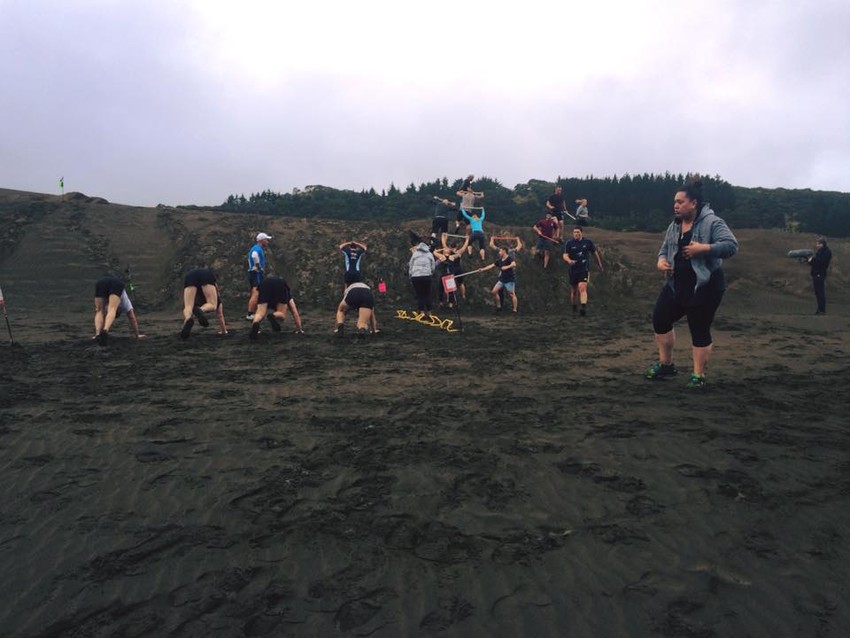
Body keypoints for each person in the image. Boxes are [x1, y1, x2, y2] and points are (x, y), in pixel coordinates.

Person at [644, 178, 738, 388]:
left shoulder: (713, 223)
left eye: (680, 201)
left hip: (705, 285)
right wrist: (661, 262)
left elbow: (731, 246)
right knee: (660, 318)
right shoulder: (674, 226)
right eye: (674, 202)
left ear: (694, 203)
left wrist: (703, 248)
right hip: (676, 284)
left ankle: (698, 375)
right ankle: (666, 365)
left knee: (699, 328)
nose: (675, 205)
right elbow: (663, 250)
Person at [562, 226, 604, 316]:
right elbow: (565, 255)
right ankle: (574, 307)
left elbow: (595, 254)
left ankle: (583, 307)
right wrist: (569, 260)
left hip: (584, 268)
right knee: (574, 290)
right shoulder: (569, 243)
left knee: (582, 287)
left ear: (581, 233)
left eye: (578, 232)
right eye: (574, 232)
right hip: (573, 269)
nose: (576, 234)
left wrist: (599, 265)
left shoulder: (588, 242)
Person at [93, 276, 145, 344]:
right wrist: (137, 335)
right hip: (116, 283)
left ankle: (97, 334)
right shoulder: (125, 304)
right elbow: (132, 318)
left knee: (99, 311)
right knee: (112, 309)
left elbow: (103, 316)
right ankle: (105, 330)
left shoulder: (107, 304)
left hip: (101, 282)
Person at [249, 276, 304, 340]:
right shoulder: (288, 296)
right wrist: (299, 329)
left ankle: (256, 323)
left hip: (265, 284)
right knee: (282, 313)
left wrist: (250, 311)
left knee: (260, 313)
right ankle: (273, 315)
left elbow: (254, 298)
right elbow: (295, 312)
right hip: (280, 284)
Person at [181, 267, 227, 339]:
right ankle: (201, 310)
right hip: (206, 275)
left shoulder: (197, 297)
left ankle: (187, 319)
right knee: (212, 304)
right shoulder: (217, 298)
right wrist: (224, 331)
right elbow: (220, 315)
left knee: (188, 306)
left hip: (190, 275)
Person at [481, 236, 522, 313]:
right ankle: (499, 307)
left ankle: (515, 310)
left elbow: (514, 264)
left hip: (509, 278)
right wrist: (482, 269)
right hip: (502, 277)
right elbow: (491, 265)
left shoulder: (510, 255)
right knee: (494, 292)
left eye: (500, 251)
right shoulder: (500, 259)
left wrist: (506, 267)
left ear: (504, 251)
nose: (499, 252)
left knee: (511, 294)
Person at [434, 235, 469, 307]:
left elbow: (437, 250)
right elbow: (462, 249)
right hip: (451, 272)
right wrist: (467, 240)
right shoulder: (453, 255)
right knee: (453, 287)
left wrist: (443, 237)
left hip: (448, 272)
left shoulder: (443, 256)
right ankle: (455, 301)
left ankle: (444, 302)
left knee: (444, 288)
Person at [246, 232, 272, 320]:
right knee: (256, 293)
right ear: (262, 240)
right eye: (267, 240)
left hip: (255, 273)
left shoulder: (256, 248)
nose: (268, 242)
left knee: (256, 292)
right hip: (255, 273)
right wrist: (258, 267)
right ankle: (250, 314)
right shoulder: (257, 249)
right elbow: (254, 256)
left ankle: (254, 312)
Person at [409, 236, 436, 313]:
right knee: (427, 293)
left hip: (416, 276)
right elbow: (433, 265)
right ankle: (429, 311)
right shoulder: (429, 254)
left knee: (419, 294)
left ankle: (421, 311)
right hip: (427, 276)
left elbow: (411, 265)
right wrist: (432, 273)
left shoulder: (415, 254)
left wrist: (410, 275)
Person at [808, 237, 832, 315]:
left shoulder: (826, 252)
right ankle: (819, 309)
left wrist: (813, 260)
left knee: (820, 292)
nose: (817, 245)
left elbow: (822, 262)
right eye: (817, 244)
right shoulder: (819, 252)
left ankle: (822, 310)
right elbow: (815, 263)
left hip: (820, 274)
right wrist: (809, 261)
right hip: (816, 274)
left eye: (819, 244)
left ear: (823, 244)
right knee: (817, 293)